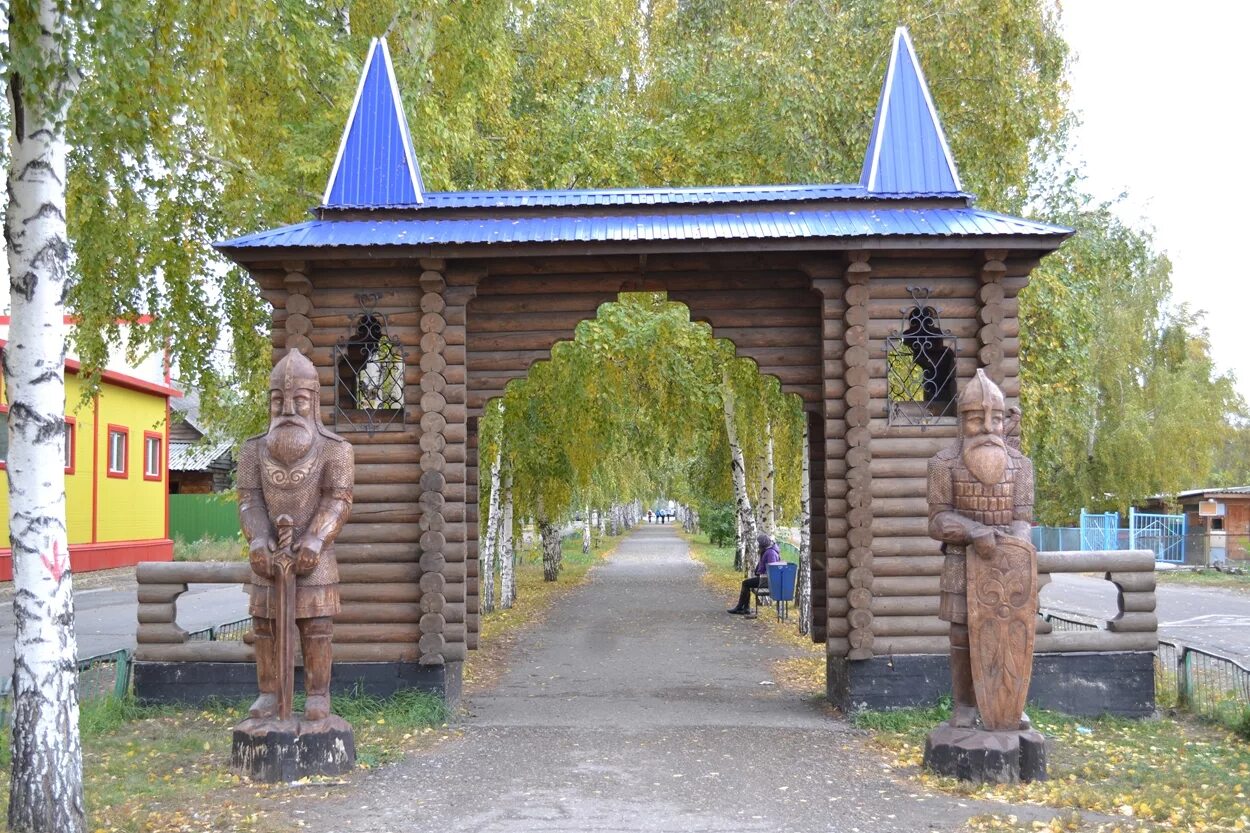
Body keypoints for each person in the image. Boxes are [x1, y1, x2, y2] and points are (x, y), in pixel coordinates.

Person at [238, 349, 354, 722]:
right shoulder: (251, 450)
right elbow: (249, 500)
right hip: (268, 557)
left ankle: (318, 695)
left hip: (315, 557)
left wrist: (317, 538)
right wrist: (257, 538)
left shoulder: (336, 450)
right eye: (278, 400)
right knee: (265, 626)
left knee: (317, 628)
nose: (287, 409)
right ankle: (269, 694)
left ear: (313, 402)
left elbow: (339, 499)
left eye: (298, 400)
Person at [927, 369, 1034, 728]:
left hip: (1006, 566)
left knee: (1011, 631)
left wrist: (1012, 543)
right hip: (961, 562)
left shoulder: (1021, 467)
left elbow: (1023, 519)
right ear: (962, 422)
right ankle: (965, 707)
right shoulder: (943, 464)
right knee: (961, 632)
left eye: (996, 418)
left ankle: (1007, 705)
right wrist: (974, 531)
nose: (988, 427)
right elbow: (938, 521)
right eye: (976, 418)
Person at [727, 534, 781, 614]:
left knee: (745, 583)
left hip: (768, 580)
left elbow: (772, 569)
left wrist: (762, 574)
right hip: (765, 578)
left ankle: (740, 607)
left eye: (759, 543)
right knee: (746, 583)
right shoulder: (768, 550)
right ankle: (745, 608)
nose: (758, 545)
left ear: (763, 544)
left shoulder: (771, 553)